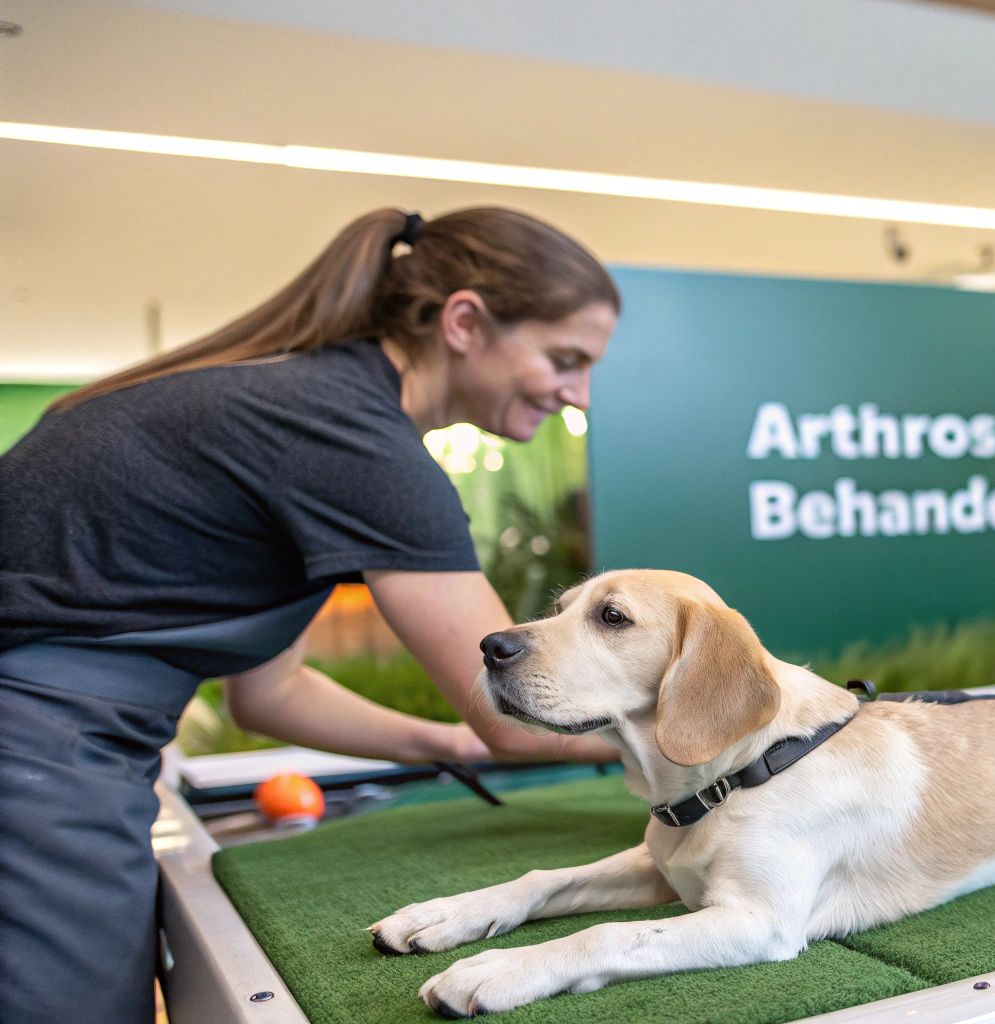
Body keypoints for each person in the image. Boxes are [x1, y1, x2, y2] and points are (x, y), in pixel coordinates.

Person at [0, 207, 624, 1022]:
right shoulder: (361, 445)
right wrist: (720, 736)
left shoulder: (305, 404)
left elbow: (270, 695)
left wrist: (443, 746)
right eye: (564, 359)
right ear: (465, 322)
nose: (576, 396)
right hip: (33, 755)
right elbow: (516, 715)